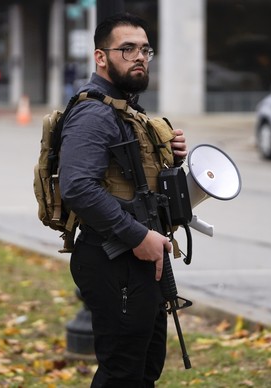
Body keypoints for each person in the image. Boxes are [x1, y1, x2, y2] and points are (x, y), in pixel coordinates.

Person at [58, 13, 188, 387]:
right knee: (123, 374)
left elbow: (134, 181)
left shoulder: (125, 109)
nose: (139, 57)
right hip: (114, 258)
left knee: (143, 369)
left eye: (145, 49)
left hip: (137, 258)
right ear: (101, 57)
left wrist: (173, 159)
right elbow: (78, 187)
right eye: (126, 49)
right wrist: (138, 237)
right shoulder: (94, 113)